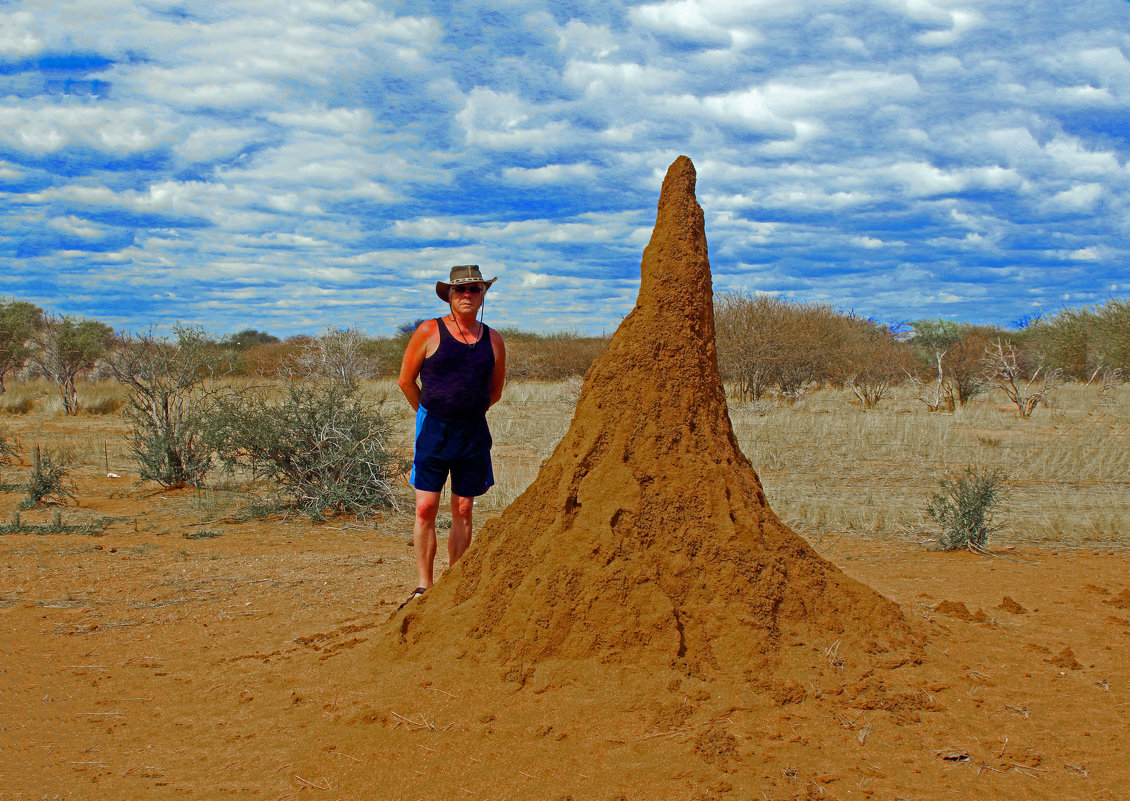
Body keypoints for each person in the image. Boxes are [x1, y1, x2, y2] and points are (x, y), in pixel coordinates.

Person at [397, 265, 506, 608]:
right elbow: (405, 380)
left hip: (473, 431)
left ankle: (455, 581)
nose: (467, 295)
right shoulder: (429, 330)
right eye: (460, 290)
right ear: (449, 295)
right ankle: (424, 586)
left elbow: (496, 391)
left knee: (463, 507)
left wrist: (467, 412)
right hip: (434, 429)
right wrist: (428, 415)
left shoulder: (493, 339)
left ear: (483, 294)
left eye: (474, 289)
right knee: (426, 508)